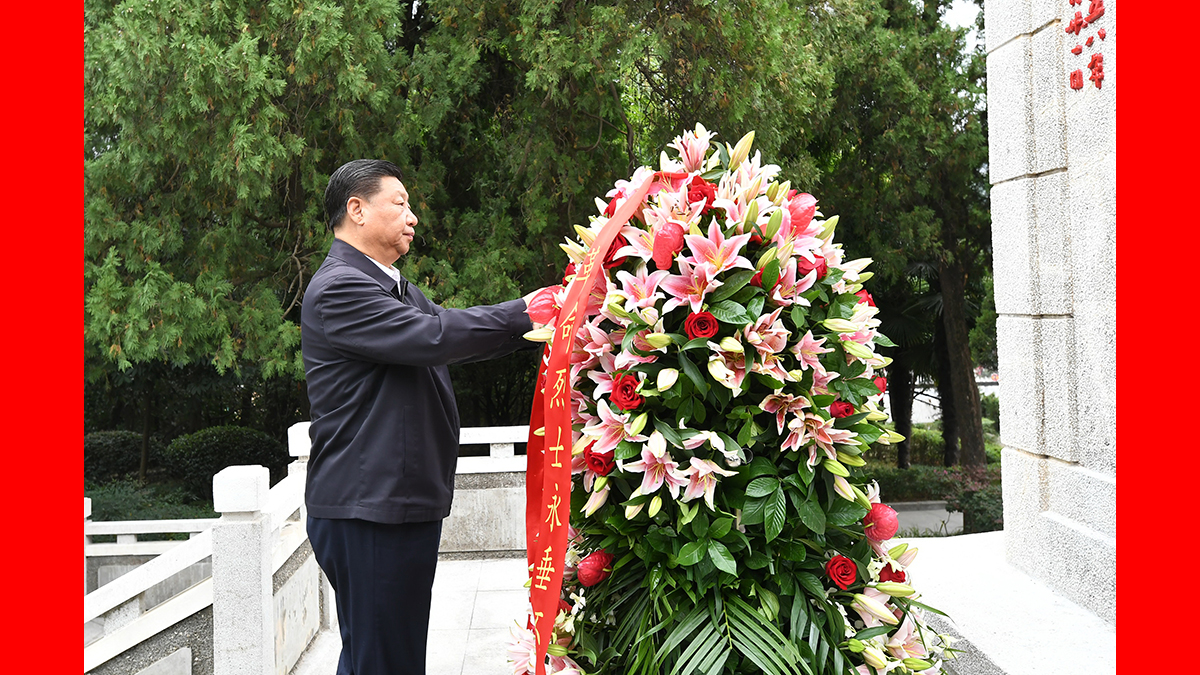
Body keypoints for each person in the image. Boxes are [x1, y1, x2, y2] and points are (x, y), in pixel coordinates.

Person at [301, 159, 544, 674]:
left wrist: (537, 323)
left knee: (382, 655)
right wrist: (529, 310)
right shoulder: (340, 287)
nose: (413, 217)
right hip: (367, 507)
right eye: (401, 203)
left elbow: (454, 332)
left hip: (394, 502)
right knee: (385, 660)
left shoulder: (394, 286)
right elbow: (434, 337)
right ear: (357, 209)